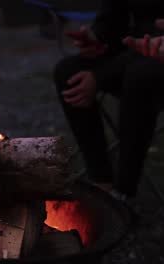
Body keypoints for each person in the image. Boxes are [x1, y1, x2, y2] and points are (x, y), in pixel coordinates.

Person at [54, 0, 164, 201]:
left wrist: (101, 76)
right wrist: (97, 37)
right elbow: (116, 14)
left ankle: (124, 192)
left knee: (140, 76)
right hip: (134, 51)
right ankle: (101, 181)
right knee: (68, 72)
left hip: (153, 61)